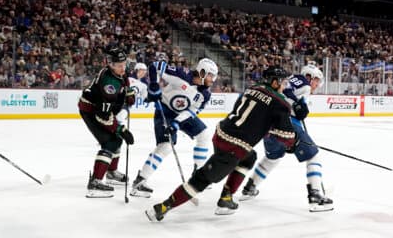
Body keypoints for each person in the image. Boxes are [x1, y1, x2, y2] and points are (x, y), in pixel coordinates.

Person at [145, 66, 297, 222]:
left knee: (250, 157)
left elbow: (249, 113)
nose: (284, 86)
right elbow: (286, 136)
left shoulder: (251, 89)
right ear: (274, 82)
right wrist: (294, 142)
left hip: (221, 133)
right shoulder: (281, 103)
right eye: (283, 82)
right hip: (234, 146)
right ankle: (162, 207)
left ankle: (226, 196)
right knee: (201, 180)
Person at [240, 62, 333, 212]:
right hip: (287, 124)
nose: (317, 84)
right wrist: (297, 106)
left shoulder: (288, 80)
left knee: (272, 158)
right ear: (311, 77)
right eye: (317, 80)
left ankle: (250, 187)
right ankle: (315, 196)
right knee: (313, 156)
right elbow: (288, 99)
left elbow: (285, 96)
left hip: (269, 128)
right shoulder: (304, 84)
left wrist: (298, 106)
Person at [130, 58, 217, 198]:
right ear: (202, 72)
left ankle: (198, 173)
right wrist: (154, 85)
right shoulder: (182, 75)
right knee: (165, 146)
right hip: (164, 111)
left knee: (204, 134)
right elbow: (155, 65)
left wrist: (176, 123)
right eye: (211, 75)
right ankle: (140, 180)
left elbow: (192, 111)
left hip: (182, 115)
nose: (213, 79)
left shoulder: (205, 94)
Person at [78, 48, 136, 198]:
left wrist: (128, 92)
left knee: (117, 141)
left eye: (124, 63)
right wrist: (121, 130)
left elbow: (125, 78)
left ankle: (111, 173)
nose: (123, 67)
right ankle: (95, 182)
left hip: (100, 110)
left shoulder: (118, 72)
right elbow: (102, 115)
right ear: (110, 64)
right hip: (91, 112)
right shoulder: (109, 84)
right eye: (119, 65)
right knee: (111, 142)